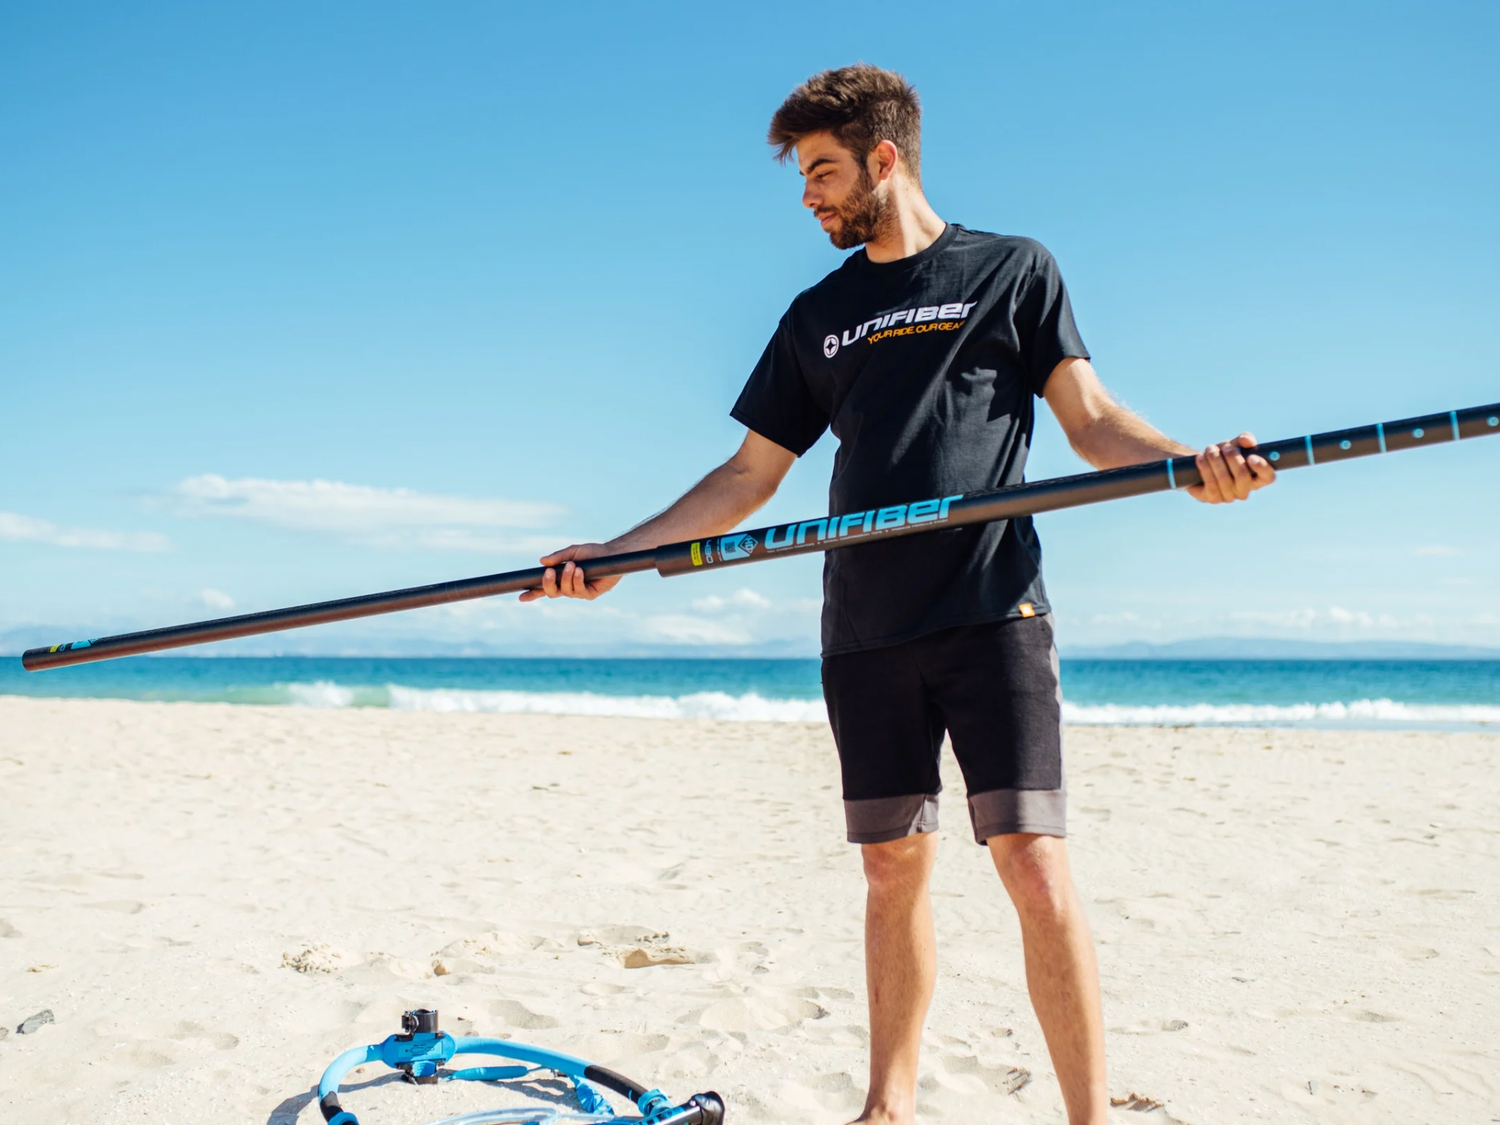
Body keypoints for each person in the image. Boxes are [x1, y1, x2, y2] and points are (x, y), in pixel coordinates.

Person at [522, 64, 1274, 1125]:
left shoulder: (1013, 270)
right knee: (889, 871)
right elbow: (748, 476)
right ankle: (888, 1108)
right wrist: (620, 552)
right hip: (865, 627)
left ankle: (1090, 1118)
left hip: (991, 608)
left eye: (823, 171)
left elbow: (1093, 423)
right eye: (801, 177)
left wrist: (1188, 463)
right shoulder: (817, 315)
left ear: (886, 159)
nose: (808, 197)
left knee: (1032, 861)